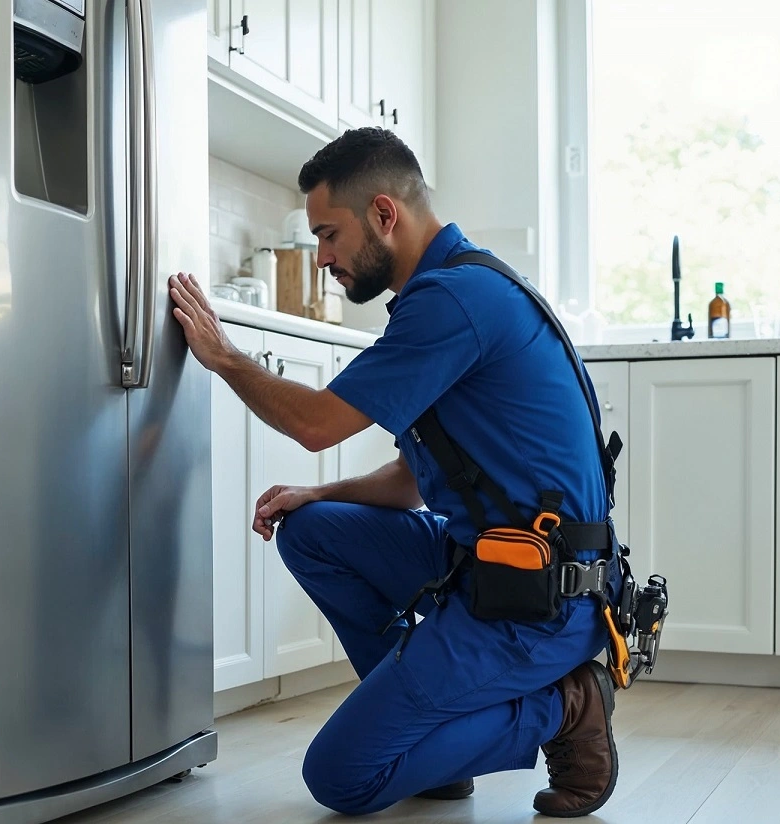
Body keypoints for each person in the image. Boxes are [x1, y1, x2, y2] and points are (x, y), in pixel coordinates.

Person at [167, 127, 621, 817]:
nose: (322, 259)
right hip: (488, 562)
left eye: (329, 235)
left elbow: (316, 425)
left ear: (385, 214)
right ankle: (431, 738)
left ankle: (566, 707)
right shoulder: (450, 291)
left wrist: (227, 357)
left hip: (538, 598)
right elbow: (416, 477)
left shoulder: (455, 300)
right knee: (311, 530)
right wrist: (319, 494)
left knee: (342, 778)